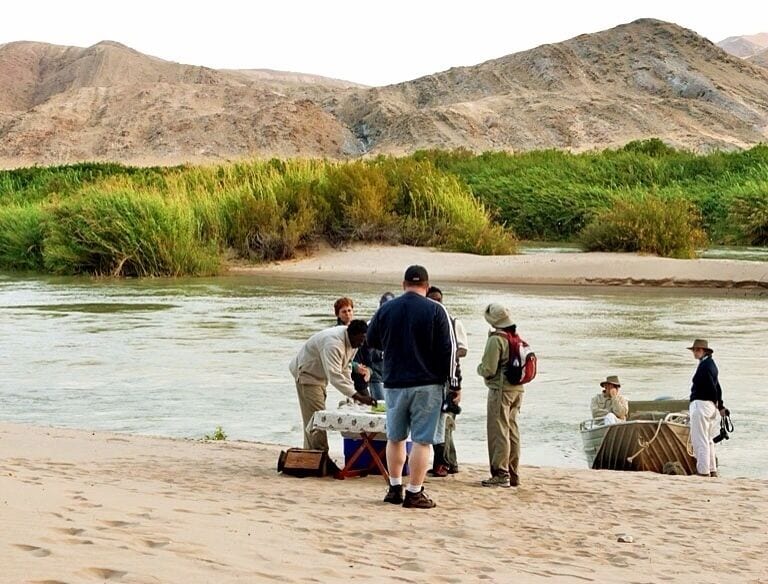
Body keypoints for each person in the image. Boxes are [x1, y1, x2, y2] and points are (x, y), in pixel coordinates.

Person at [367, 266, 457, 509]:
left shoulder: (386, 309)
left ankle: (394, 487)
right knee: (422, 441)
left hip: (394, 382)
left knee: (395, 438)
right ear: (427, 286)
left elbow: (371, 339)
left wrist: (393, 346)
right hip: (428, 383)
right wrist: (454, 384)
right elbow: (450, 350)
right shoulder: (436, 310)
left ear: (403, 284)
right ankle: (414, 492)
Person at [288, 320, 374, 452]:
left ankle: (312, 456)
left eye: (363, 340)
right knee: (316, 418)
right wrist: (358, 396)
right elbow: (334, 376)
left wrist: (352, 394)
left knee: (313, 418)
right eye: (360, 341)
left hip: (320, 376)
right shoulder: (333, 343)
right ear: (351, 335)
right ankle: (321, 455)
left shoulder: (354, 341)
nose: (361, 344)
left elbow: (345, 368)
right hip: (306, 373)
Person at [477, 303, 525, 488]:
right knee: (512, 430)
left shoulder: (496, 339)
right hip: (517, 390)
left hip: (500, 390)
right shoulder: (515, 337)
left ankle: (500, 474)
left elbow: (489, 369)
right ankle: (513, 474)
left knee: (499, 431)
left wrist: (478, 369)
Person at [426, 286, 468, 477]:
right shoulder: (425, 322)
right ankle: (449, 462)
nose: (436, 303)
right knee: (441, 423)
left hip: (448, 379)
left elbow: (461, 351)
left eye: (438, 299)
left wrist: (446, 355)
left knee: (445, 423)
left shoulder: (453, 322)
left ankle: (444, 464)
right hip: (434, 379)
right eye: (432, 299)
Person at [688, 339, 727, 478]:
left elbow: (712, 387)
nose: (694, 352)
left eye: (697, 350)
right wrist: (719, 404)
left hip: (702, 404)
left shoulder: (705, 366)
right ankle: (712, 469)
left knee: (700, 439)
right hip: (709, 406)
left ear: (704, 351)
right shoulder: (711, 365)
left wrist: (718, 402)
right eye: (694, 350)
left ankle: (703, 471)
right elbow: (717, 386)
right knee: (708, 439)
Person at [333, 297, 370, 394]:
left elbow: (368, 355)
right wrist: (355, 367)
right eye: (344, 312)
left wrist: (369, 370)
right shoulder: (336, 334)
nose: (347, 314)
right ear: (338, 314)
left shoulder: (361, 330)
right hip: (346, 378)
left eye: (349, 310)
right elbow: (338, 360)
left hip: (361, 378)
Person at [367, 292, 396, 401]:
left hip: (393, 374)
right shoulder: (372, 324)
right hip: (376, 374)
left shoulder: (399, 322)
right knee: (380, 406)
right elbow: (366, 348)